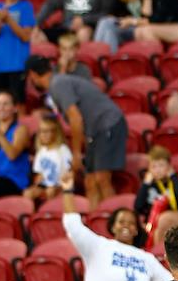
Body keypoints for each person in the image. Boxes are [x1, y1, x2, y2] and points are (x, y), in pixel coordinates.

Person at [27, 54, 125, 206]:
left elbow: (76, 118)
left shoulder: (58, 84)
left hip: (108, 124)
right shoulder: (58, 83)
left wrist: (77, 154)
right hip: (96, 131)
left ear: (32, 75)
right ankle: (94, 223)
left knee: (101, 179)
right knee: (90, 181)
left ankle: (113, 220)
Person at [135, 146, 178, 244]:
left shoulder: (175, 182)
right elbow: (138, 206)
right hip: (152, 224)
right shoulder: (149, 186)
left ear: (169, 166)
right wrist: (146, 183)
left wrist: (173, 175)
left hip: (174, 222)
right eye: (153, 166)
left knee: (159, 229)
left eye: (161, 165)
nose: (158, 170)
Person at [0, 90, 31, 200]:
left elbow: (12, 154)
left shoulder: (21, 129)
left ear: (15, 108)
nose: (1, 108)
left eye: (5, 104)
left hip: (14, 181)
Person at [26, 114, 72, 202]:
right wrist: (37, 182)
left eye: (47, 132)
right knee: (28, 193)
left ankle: (50, 212)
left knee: (50, 191)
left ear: (55, 133)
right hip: (45, 185)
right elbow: (39, 173)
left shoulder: (63, 150)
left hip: (59, 185)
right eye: (41, 131)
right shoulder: (41, 151)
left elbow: (69, 170)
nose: (43, 135)